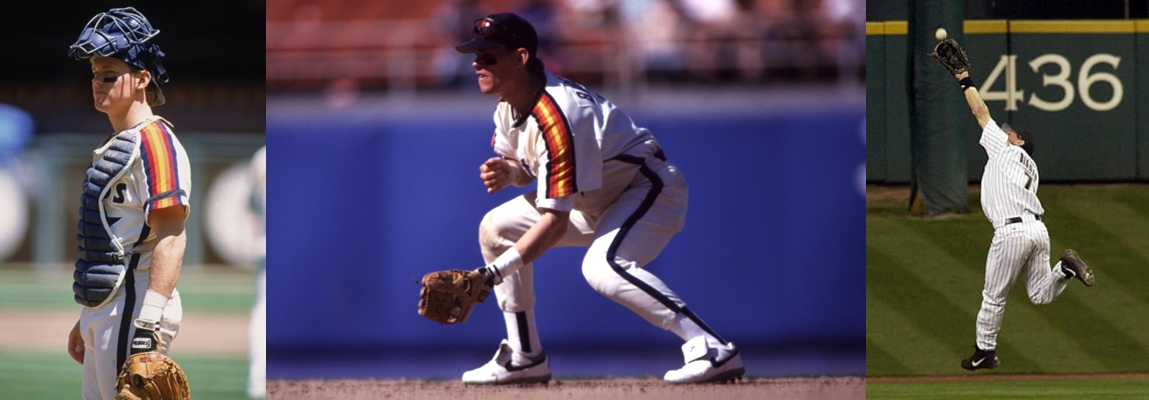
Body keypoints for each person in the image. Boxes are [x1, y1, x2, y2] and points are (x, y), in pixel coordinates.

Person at [455, 13, 744, 385]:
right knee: (495, 228)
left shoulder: (562, 115)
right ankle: (524, 357)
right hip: (591, 198)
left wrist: (491, 275)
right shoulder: (509, 105)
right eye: (475, 56)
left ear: (520, 58)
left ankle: (711, 348)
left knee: (602, 268)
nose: (477, 63)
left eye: (488, 56)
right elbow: (530, 165)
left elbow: (554, 223)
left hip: (645, 190)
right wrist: (512, 172)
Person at [63, 7, 192, 399]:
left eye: (109, 74)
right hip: (110, 309)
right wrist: (88, 315)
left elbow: (172, 236)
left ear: (142, 78)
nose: (97, 82)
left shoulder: (156, 142)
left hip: (134, 310)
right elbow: (113, 241)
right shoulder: (120, 142)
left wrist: (147, 324)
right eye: (94, 74)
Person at [949, 67, 1095, 371]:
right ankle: (1065, 267)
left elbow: (979, 111)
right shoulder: (1032, 168)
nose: (1006, 133)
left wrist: (964, 79)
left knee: (993, 296)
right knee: (1040, 294)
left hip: (1012, 232)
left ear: (1018, 142)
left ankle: (984, 351)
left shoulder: (1003, 149)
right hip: (1037, 230)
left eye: (1011, 133)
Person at [247, 145, 267, 398]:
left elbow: (251, 203)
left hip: (266, 244)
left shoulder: (262, 155)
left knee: (263, 312)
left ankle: (258, 380)